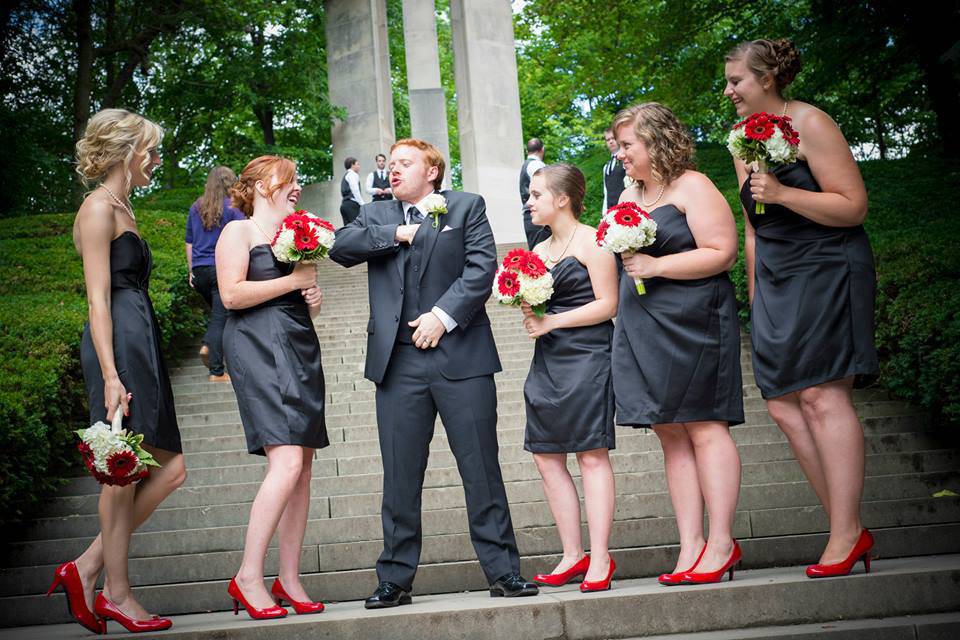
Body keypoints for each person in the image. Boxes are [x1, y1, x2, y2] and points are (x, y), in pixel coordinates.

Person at [330, 138, 539, 609]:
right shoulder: (376, 214)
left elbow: (482, 267)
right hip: (397, 365)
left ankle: (504, 571)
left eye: (406, 163)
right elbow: (340, 248)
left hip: (461, 357)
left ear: (432, 172)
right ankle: (395, 579)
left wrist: (442, 317)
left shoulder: (465, 206)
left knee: (481, 467)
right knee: (400, 474)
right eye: (393, 162)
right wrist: (397, 236)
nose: (395, 169)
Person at [724, 38, 878, 578]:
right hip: (776, 278)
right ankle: (849, 527)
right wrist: (754, 290)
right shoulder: (741, 141)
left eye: (736, 81)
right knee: (783, 405)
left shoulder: (812, 123)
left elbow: (853, 206)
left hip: (828, 264)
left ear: (767, 79)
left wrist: (786, 194)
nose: (729, 92)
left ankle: (843, 533)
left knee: (820, 393)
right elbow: (752, 226)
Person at [53, 108, 186, 634]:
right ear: (127, 151)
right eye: (149, 150)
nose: (154, 159)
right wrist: (110, 373)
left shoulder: (122, 204)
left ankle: (87, 568)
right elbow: (97, 301)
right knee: (123, 467)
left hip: (141, 339)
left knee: (169, 469)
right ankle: (117, 592)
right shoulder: (96, 209)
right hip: (119, 346)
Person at [612, 102, 745, 585]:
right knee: (670, 430)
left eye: (628, 145)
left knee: (705, 425)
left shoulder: (693, 186)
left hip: (694, 318)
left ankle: (722, 541)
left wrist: (656, 266)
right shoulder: (630, 192)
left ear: (656, 142)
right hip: (643, 320)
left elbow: (722, 253)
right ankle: (690, 544)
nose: (621, 153)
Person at [216, 155, 328, 619]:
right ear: (263, 185)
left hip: (299, 346)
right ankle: (247, 576)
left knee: (301, 466)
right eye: (290, 180)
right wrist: (291, 282)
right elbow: (230, 295)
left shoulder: (291, 239)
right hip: (257, 347)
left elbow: (299, 300)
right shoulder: (237, 232)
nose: (297, 187)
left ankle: (290, 577)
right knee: (284, 461)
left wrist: (312, 296)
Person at [519, 164, 619, 592]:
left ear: (562, 199)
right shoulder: (539, 250)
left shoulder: (593, 240)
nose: (529, 201)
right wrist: (527, 309)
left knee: (590, 454)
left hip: (588, 356)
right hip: (548, 361)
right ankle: (571, 554)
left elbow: (609, 304)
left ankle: (600, 557)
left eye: (536, 194)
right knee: (546, 455)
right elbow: (538, 310)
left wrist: (553, 321)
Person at [185, 166, 245, 381]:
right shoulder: (232, 207)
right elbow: (242, 235)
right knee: (222, 318)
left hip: (199, 270)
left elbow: (189, 242)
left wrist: (191, 270)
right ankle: (216, 368)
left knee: (220, 316)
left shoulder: (196, 206)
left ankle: (218, 353)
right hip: (221, 269)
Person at [519, 138, 547, 248]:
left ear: (527, 151)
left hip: (529, 215)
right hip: (538, 215)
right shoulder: (537, 165)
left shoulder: (526, 165)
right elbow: (548, 189)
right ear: (542, 149)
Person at [602, 127, 627, 212]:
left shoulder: (625, 159)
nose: (611, 141)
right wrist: (605, 211)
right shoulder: (606, 167)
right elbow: (606, 191)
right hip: (611, 211)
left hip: (626, 207)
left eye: (613, 138)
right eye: (608, 140)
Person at [339, 156, 365, 225]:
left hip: (344, 205)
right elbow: (355, 191)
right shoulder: (353, 174)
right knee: (357, 227)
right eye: (357, 164)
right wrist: (362, 204)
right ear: (352, 165)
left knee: (348, 229)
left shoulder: (346, 175)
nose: (359, 166)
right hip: (352, 205)